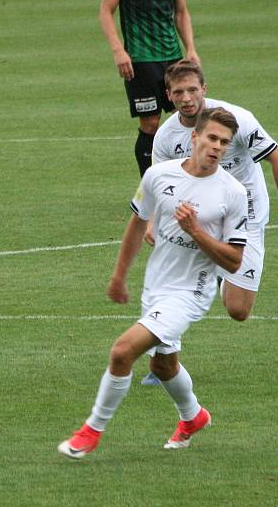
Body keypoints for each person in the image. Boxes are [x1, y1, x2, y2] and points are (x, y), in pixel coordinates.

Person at [58, 107, 248, 458]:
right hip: (156, 285)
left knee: (122, 352)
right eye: (211, 138)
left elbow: (234, 259)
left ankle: (91, 430)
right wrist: (119, 276)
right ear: (195, 137)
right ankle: (193, 417)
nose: (217, 147)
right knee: (162, 366)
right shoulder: (158, 176)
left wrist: (196, 231)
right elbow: (136, 222)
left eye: (224, 142)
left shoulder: (233, 194)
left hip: (191, 293)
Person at [140, 60, 278, 385]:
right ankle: (164, 360)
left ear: (204, 90)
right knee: (173, 286)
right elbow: (157, 182)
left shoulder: (236, 119)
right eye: (179, 92)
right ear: (168, 95)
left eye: (193, 90)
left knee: (239, 311)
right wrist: (152, 220)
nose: (187, 98)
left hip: (247, 215)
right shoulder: (167, 136)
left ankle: (219, 279)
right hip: (198, 217)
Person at [99, 0, 199, 177]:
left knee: (188, 117)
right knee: (151, 122)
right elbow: (106, 12)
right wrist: (118, 50)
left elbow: (181, 12)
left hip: (173, 58)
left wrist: (190, 48)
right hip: (140, 60)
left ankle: (188, 178)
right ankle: (150, 185)